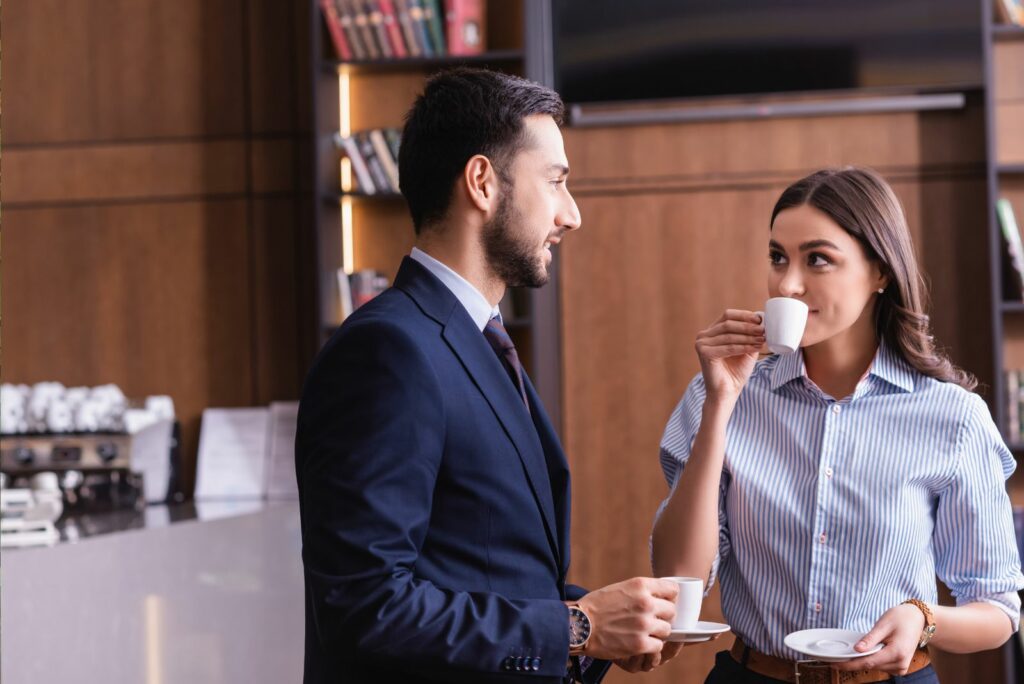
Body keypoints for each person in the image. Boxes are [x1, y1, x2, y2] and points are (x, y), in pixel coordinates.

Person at [295, 68, 683, 684]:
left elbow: (478, 565)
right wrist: (576, 627)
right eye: (555, 182)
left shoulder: (475, 340)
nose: (571, 214)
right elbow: (364, 605)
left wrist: (602, 630)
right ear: (482, 182)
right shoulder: (387, 350)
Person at [651, 167, 1024, 683]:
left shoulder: (952, 417)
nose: (788, 284)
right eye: (778, 257)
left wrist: (924, 619)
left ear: (880, 272)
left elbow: (998, 612)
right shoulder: (720, 397)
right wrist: (719, 405)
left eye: (818, 259)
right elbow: (679, 579)